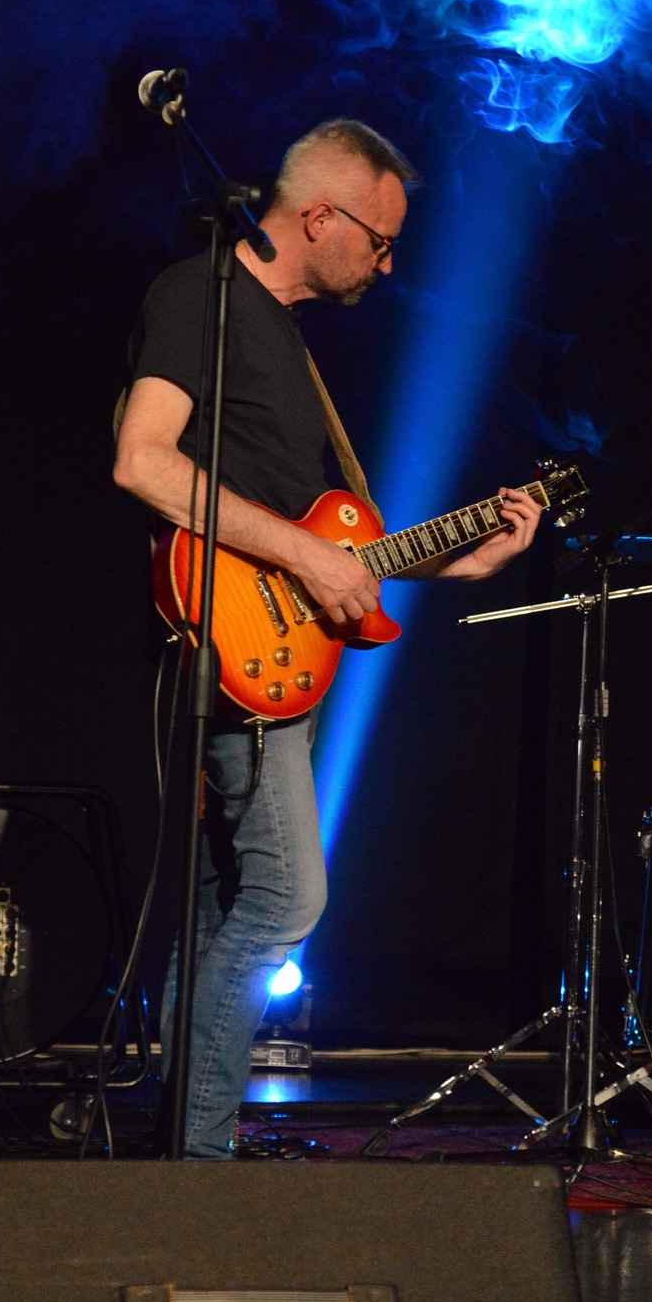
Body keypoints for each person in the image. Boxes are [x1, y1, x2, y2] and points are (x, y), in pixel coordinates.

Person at [113, 118, 542, 1156]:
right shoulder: (201, 295)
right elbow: (144, 461)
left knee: (222, 908)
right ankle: (198, 1159)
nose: (387, 265)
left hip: (284, 662)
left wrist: (459, 560)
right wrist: (307, 559)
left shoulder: (289, 345)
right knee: (287, 901)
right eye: (380, 241)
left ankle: (176, 1149)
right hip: (228, 642)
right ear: (318, 216)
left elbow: (341, 544)